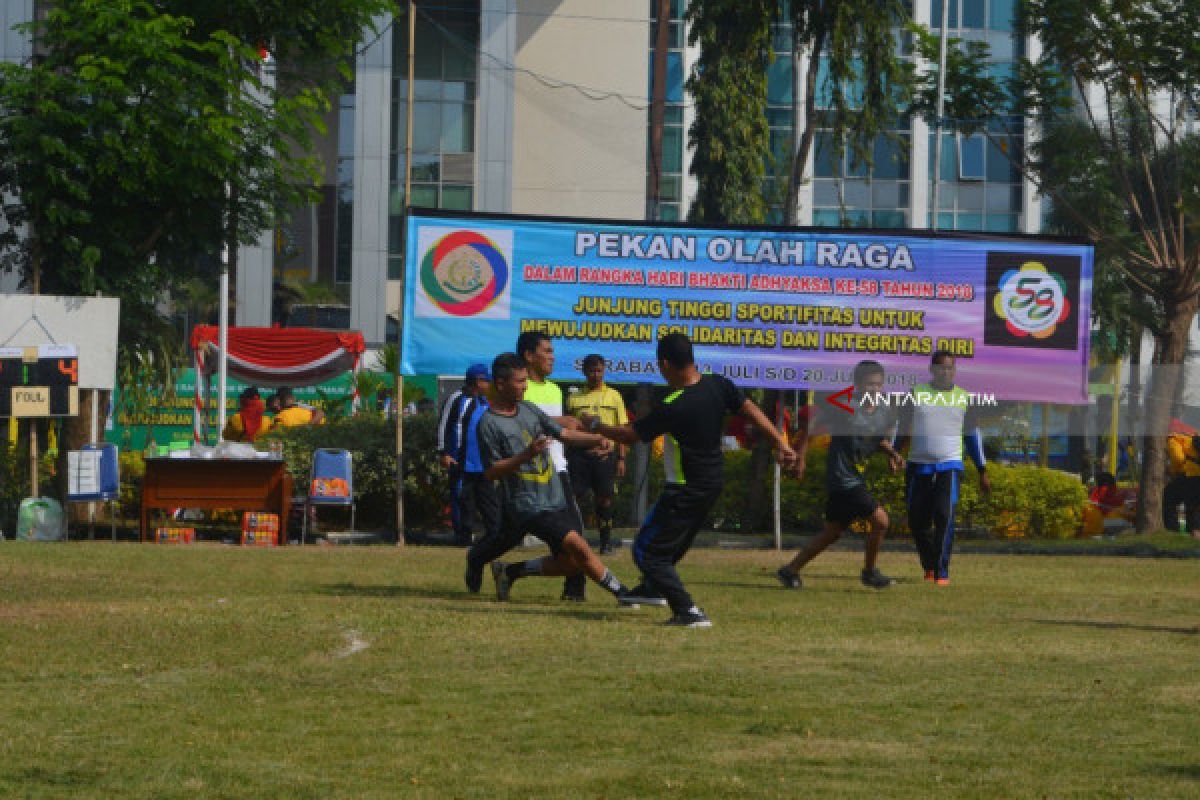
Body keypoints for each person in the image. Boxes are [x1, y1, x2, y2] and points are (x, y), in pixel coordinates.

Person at [585, 333, 797, 628]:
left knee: (648, 551)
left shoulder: (674, 404)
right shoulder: (717, 384)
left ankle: (688, 611)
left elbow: (630, 435)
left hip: (684, 487)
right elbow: (751, 410)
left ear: (666, 363)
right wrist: (780, 443)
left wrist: (595, 425)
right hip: (711, 482)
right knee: (673, 544)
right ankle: (652, 589)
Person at [477, 353, 635, 605]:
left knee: (571, 562)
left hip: (555, 495)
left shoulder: (529, 409)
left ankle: (509, 572)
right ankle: (624, 594)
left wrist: (599, 439)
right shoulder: (488, 423)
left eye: (525, 381)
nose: (525, 386)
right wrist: (526, 455)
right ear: (500, 383)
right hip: (528, 504)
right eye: (519, 382)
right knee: (580, 548)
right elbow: (492, 471)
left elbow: (566, 435)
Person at [776, 360, 902, 591]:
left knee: (832, 532)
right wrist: (800, 457)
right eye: (868, 384)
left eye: (877, 384)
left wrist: (892, 454)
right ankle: (870, 572)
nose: (873, 389)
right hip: (843, 479)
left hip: (855, 477)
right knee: (881, 521)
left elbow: (876, 438)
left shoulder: (883, 410)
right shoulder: (844, 406)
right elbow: (811, 425)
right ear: (857, 384)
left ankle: (790, 570)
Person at [895, 351, 990, 585]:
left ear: (955, 371)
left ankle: (941, 571)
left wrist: (982, 469)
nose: (944, 372)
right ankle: (928, 564)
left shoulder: (964, 398)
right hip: (918, 466)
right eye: (940, 368)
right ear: (931, 369)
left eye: (949, 368)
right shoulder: (916, 394)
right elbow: (903, 427)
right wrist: (895, 453)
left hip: (950, 466)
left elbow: (972, 436)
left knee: (944, 517)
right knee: (917, 522)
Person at [565, 354, 628, 554]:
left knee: (605, 498)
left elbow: (621, 429)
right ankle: (574, 542)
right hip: (579, 455)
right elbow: (568, 427)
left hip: (605, 455)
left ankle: (605, 543)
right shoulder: (574, 398)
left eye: (599, 370)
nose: (595, 374)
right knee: (576, 497)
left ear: (604, 370)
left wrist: (621, 458)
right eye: (591, 370)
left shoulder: (614, 396)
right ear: (584, 372)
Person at [437, 363, 491, 545]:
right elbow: (443, 425)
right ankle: (462, 535)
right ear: (477, 381)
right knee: (461, 498)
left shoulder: (485, 401)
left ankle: (490, 534)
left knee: (485, 499)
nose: (489, 384)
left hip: (481, 462)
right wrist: (443, 452)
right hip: (458, 459)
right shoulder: (456, 399)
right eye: (486, 380)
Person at [1163, 424, 1200, 536]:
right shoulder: (1190, 436)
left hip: (1190, 474)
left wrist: (1173, 472)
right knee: (1195, 507)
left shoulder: (1172, 438)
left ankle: (1172, 531)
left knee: (1168, 497)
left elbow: (1178, 458)